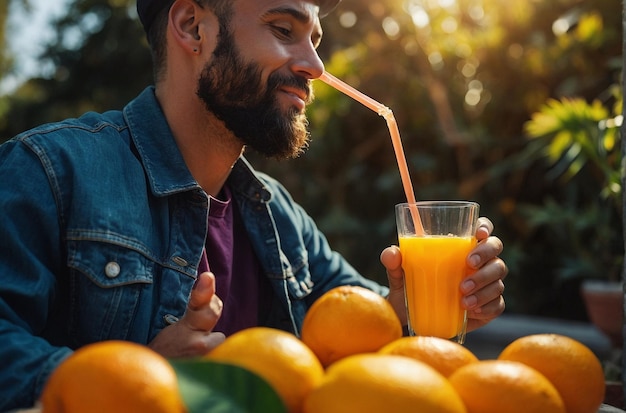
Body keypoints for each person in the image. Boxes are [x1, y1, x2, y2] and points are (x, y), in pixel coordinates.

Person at [0, 0, 507, 409]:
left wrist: (419, 304)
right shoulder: (49, 172)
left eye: (314, 39)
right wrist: (138, 379)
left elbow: (359, 319)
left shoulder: (279, 215)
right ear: (192, 26)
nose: (314, 65)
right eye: (284, 28)